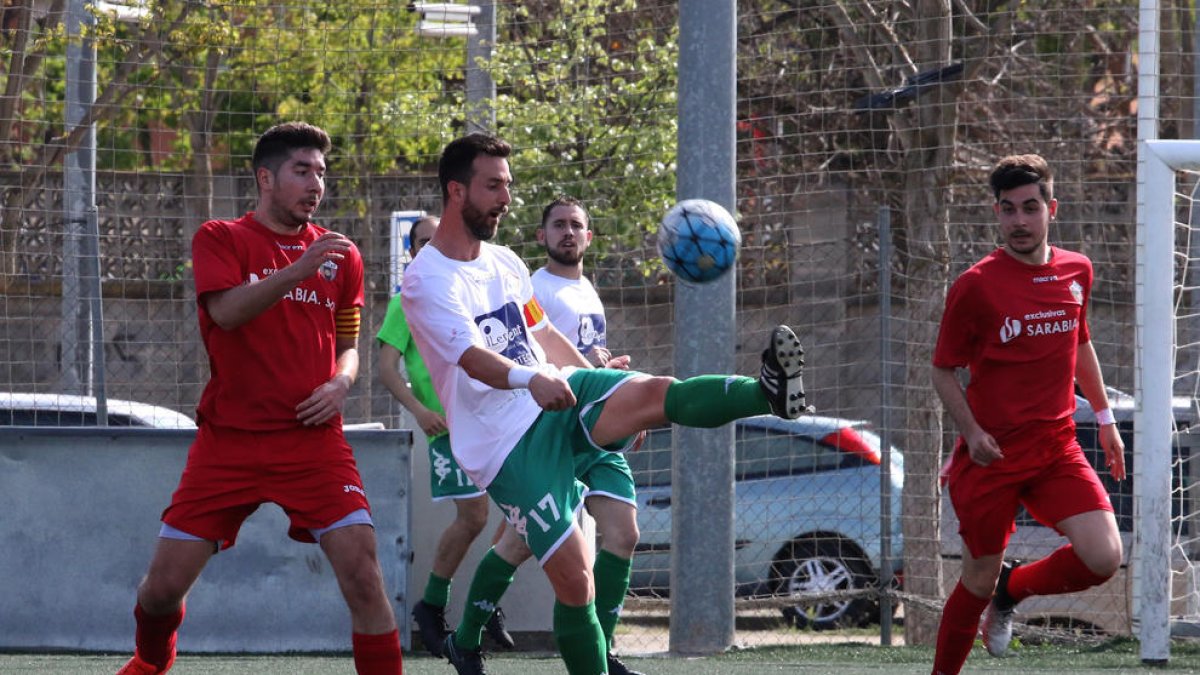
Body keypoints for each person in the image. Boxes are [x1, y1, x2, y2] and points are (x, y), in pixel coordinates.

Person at [400, 132, 811, 675]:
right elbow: (474, 360)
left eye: (509, 185)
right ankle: (477, 638)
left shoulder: (504, 262)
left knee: (654, 393)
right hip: (504, 447)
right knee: (576, 580)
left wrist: (597, 382)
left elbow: (541, 332)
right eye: (493, 185)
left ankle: (769, 393)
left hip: (556, 395)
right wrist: (531, 381)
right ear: (456, 191)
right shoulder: (425, 279)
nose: (506, 198)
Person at [116, 122, 402, 675]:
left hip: (314, 445)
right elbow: (225, 313)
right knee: (160, 591)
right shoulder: (220, 237)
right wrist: (297, 267)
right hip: (229, 443)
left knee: (365, 577)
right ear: (265, 177)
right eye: (302, 170)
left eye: (321, 171)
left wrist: (342, 381)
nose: (316, 183)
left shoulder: (342, 257)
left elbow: (349, 345)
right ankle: (151, 663)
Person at [929, 154, 1125, 675]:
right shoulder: (977, 285)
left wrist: (1105, 420)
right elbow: (944, 370)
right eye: (1008, 209)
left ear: (1051, 210)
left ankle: (1013, 589)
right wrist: (971, 433)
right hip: (991, 456)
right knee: (975, 579)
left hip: (1056, 447)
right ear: (997, 214)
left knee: (1104, 558)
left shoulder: (1076, 269)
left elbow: (1079, 344)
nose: (1019, 220)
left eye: (1030, 208)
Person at [375, 214, 514, 656]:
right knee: (473, 517)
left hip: (491, 421)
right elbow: (385, 367)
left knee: (521, 512)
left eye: (437, 237)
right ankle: (432, 605)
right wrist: (419, 410)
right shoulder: (406, 301)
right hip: (449, 428)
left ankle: (483, 600)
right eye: (422, 241)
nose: (431, 245)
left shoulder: (466, 286)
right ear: (412, 251)